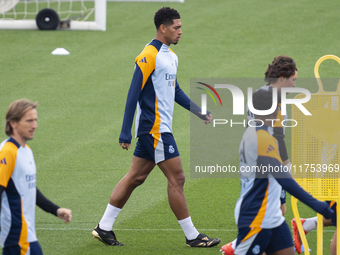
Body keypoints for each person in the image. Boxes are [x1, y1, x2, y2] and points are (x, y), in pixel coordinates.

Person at [92, 7, 220, 247]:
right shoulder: (148, 55)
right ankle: (192, 236)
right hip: (154, 129)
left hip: (159, 128)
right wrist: (125, 131)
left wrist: (199, 111)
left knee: (136, 176)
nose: (181, 31)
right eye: (176, 27)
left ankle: (103, 227)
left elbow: (175, 90)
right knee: (177, 177)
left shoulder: (170, 55)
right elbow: (133, 94)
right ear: (163, 28)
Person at [231, 89, 333, 255]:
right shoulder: (261, 138)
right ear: (272, 111)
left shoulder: (255, 133)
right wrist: (319, 206)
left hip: (273, 216)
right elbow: (284, 179)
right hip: (256, 215)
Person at [221, 55, 297, 255]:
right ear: (283, 77)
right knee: (277, 209)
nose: (294, 84)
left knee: (265, 207)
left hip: (253, 159)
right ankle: (239, 245)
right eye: (293, 80)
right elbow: (278, 136)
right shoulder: (275, 100)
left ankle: (244, 243)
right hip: (269, 160)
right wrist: (287, 165)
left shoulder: (259, 94)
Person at [0, 99, 72, 255]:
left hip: (27, 234)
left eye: (35, 120)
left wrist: (55, 210)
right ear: (13, 123)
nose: (35, 126)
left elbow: (29, 189)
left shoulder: (26, 150)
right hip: (16, 235)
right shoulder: (7, 152)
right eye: (29, 121)